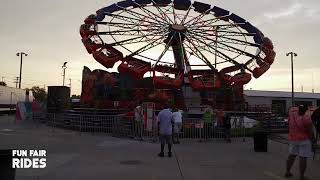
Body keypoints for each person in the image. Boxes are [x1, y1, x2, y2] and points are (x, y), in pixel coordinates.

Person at [285, 105, 315, 180]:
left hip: (293, 139)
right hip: (304, 140)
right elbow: (310, 131)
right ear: (305, 111)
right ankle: (302, 176)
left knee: (291, 155)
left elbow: (289, 115)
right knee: (303, 157)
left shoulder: (292, 113)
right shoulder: (306, 118)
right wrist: (313, 140)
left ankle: (287, 172)